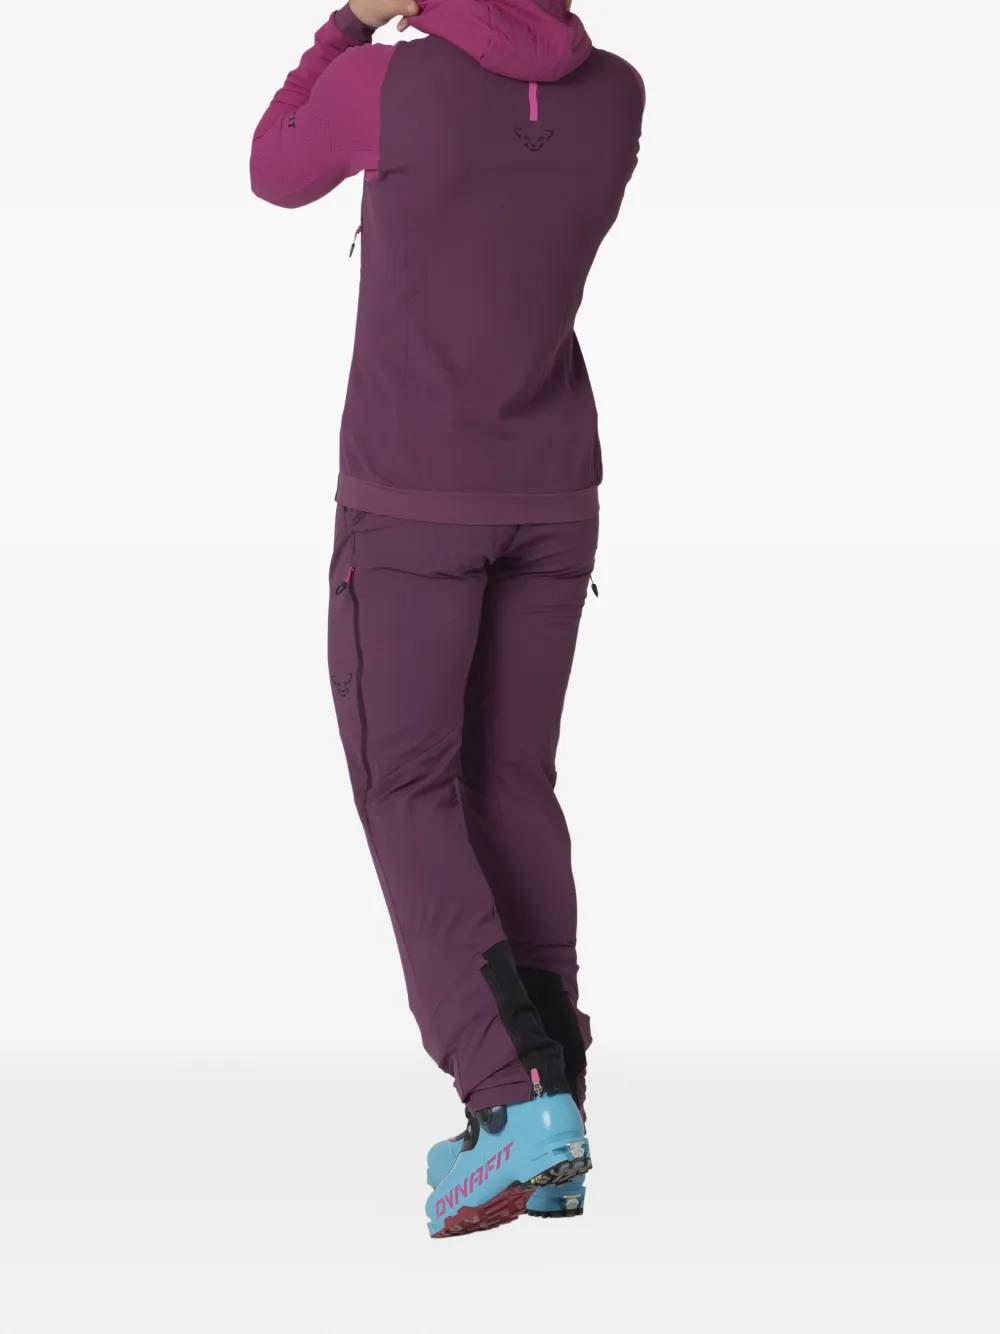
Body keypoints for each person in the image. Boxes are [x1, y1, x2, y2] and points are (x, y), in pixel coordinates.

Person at [250, 0, 644, 1237]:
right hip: (553, 495)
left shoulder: (388, 87)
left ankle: (512, 1099)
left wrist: (349, 25)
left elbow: (272, 167)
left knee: (408, 786)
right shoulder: (619, 95)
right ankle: (557, 1110)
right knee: (511, 782)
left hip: (413, 504)